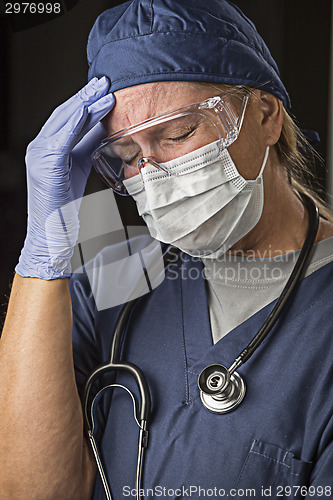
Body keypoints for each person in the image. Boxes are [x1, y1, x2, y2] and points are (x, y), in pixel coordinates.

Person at [1, 1, 333, 499]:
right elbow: (30, 490)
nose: (152, 176)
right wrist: (43, 256)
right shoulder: (114, 256)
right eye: (127, 156)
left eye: (178, 133)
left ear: (265, 115)